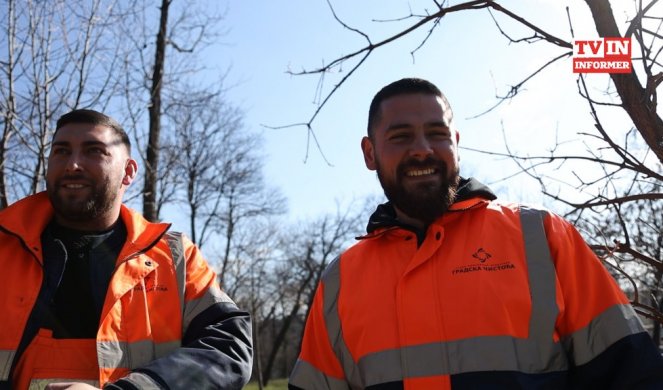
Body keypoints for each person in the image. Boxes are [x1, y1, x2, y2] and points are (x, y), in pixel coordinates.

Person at [289, 78, 663, 389]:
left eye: (436, 134)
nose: (422, 150)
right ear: (369, 153)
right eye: (400, 137)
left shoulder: (544, 237)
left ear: (456, 142)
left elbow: (633, 376)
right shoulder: (340, 280)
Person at [0, 109, 252, 389]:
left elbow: (229, 344)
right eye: (61, 151)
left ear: (128, 171)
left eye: (93, 151)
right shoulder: (4, 248)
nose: (72, 164)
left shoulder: (175, 256)